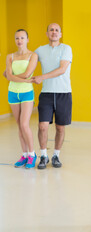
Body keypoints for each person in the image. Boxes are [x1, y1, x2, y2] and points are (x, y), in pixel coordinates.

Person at [33, 23, 72, 169]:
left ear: (60, 34)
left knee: (60, 128)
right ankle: (43, 155)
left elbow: (62, 69)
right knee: (42, 126)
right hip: (46, 94)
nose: (54, 32)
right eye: (51, 30)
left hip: (64, 93)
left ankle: (56, 155)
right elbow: (28, 63)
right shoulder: (40, 50)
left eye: (57, 30)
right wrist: (11, 66)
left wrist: (42, 77)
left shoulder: (66, 48)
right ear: (47, 33)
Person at [4, 29, 38, 168]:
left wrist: (15, 77)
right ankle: (24, 155)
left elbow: (27, 73)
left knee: (24, 124)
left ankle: (32, 154)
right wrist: (22, 79)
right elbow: (8, 76)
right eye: (17, 38)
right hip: (12, 92)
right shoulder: (10, 56)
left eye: (22, 38)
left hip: (26, 93)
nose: (19, 41)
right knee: (19, 126)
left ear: (27, 39)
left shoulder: (33, 55)